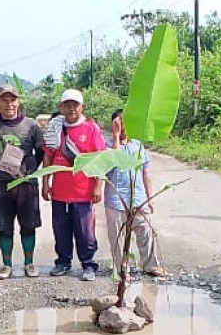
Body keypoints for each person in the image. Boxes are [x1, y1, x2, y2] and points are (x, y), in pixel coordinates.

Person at [0, 84, 45, 280]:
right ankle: (6, 264)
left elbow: (41, 151)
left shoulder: (31, 126)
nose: (9, 104)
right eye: (4, 100)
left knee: (28, 224)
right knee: (3, 226)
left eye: (12, 100)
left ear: (18, 101)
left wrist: (29, 170)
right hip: (1, 185)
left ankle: (29, 263)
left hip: (26, 184)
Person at [42, 89, 106, 281]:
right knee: (60, 229)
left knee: (85, 231)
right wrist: (45, 183)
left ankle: (88, 264)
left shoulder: (91, 128)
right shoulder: (55, 129)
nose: (71, 109)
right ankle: (63, 261)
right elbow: (48, 156)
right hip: (60, 192)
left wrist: (97, 186)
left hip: (83, 192)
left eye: (75, 105)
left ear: (81, 107)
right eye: (67, 105)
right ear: (60, 107)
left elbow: (100, 158)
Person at [105, 109, 165, 278]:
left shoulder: (137, 145)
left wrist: (149, 197)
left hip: (138, 198)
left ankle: (151, 265)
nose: (123, 126)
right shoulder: (107, 144)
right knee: (117, 238)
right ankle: (122, 269)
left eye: (126, 122)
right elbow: (112, 163)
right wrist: (116, 136)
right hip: (115, 199)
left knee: (145, 232)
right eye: (120, 122)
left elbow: (145, 172)